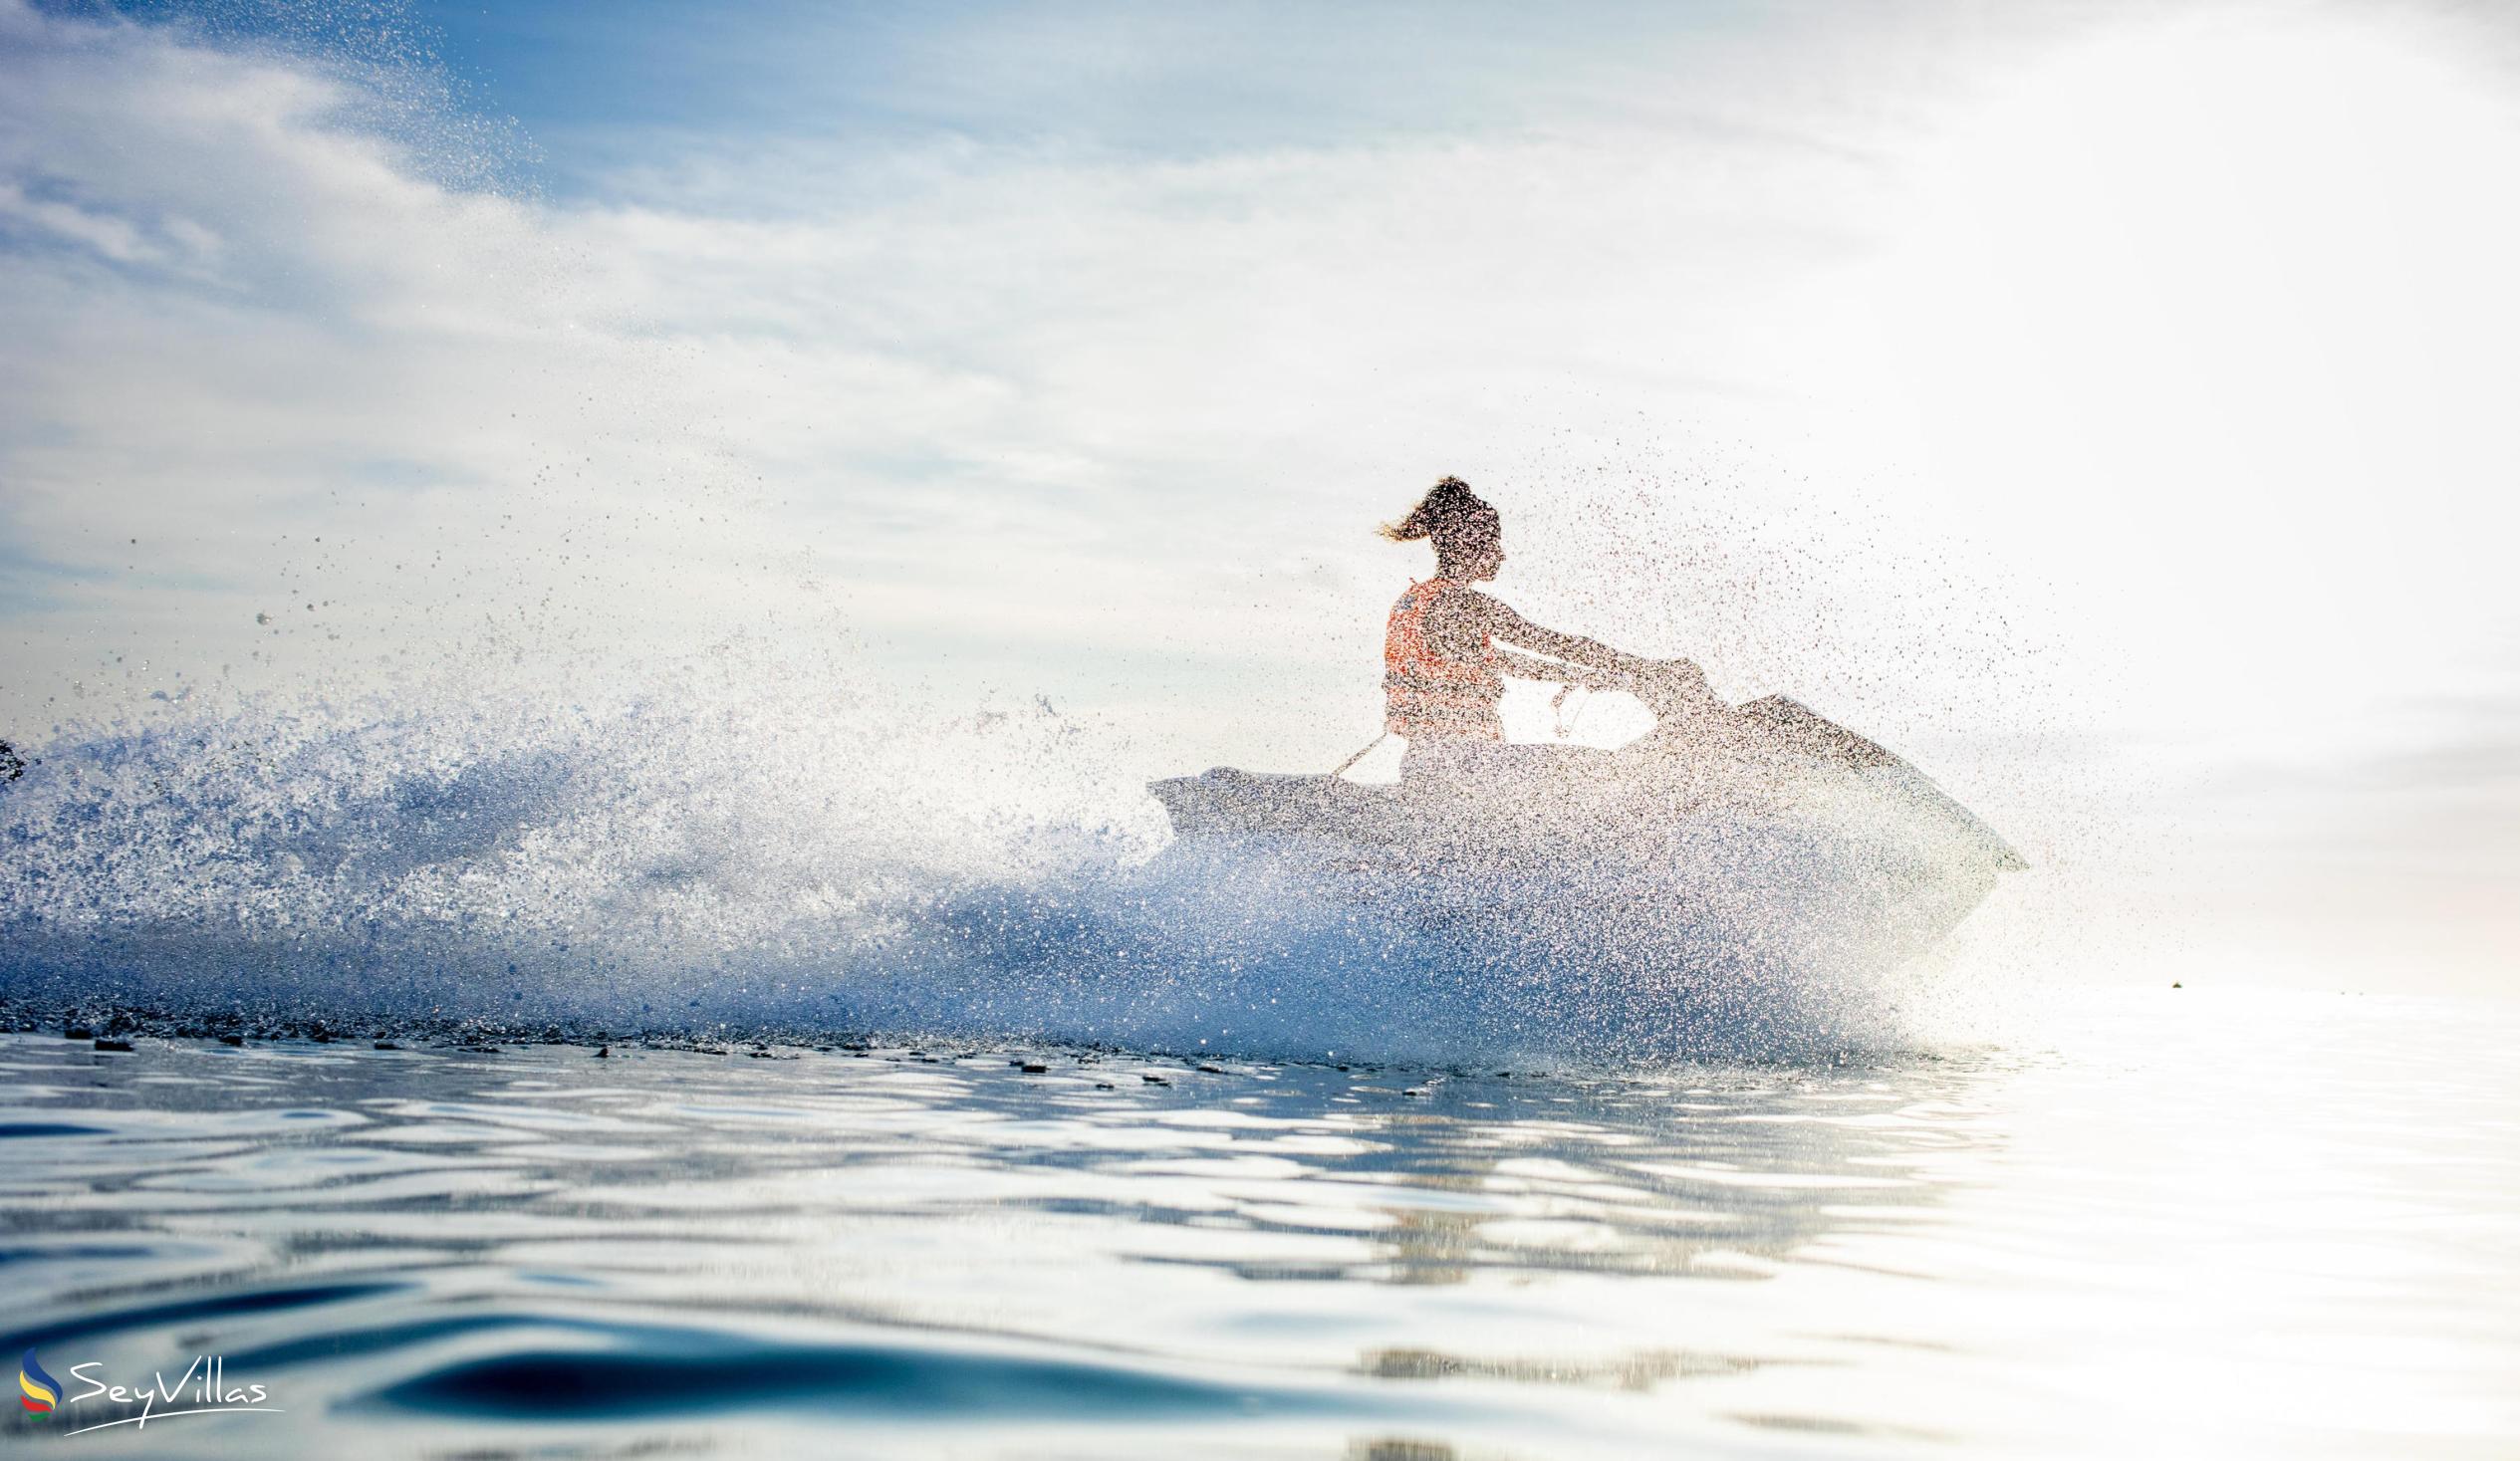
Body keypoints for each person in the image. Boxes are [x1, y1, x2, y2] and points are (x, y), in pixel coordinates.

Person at [1379, 477, 1667, 779]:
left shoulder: (1414, 600)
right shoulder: (1462, 604)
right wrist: (1637, 669)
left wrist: (1583, 675)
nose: (1501, 555)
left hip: (1421, 763)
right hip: (1466, 765)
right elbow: (1553, 644)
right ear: (1469, 544)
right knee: (1603, 771)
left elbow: (1503, 661)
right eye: (1493, 543)